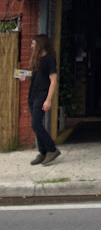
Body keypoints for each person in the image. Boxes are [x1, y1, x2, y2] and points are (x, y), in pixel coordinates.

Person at [27, 34, 61, 166]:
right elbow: (36, 76)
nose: (31, 46)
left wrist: (48, 100)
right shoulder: (36, 59)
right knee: (36, 125)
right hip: (32, 94)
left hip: (42, 95)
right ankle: (43, 151)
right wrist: (25, 77)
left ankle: (52, 149)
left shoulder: (49, 59)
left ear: (40, 45)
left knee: (36, 124)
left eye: (33, 44)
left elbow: (53, 81)